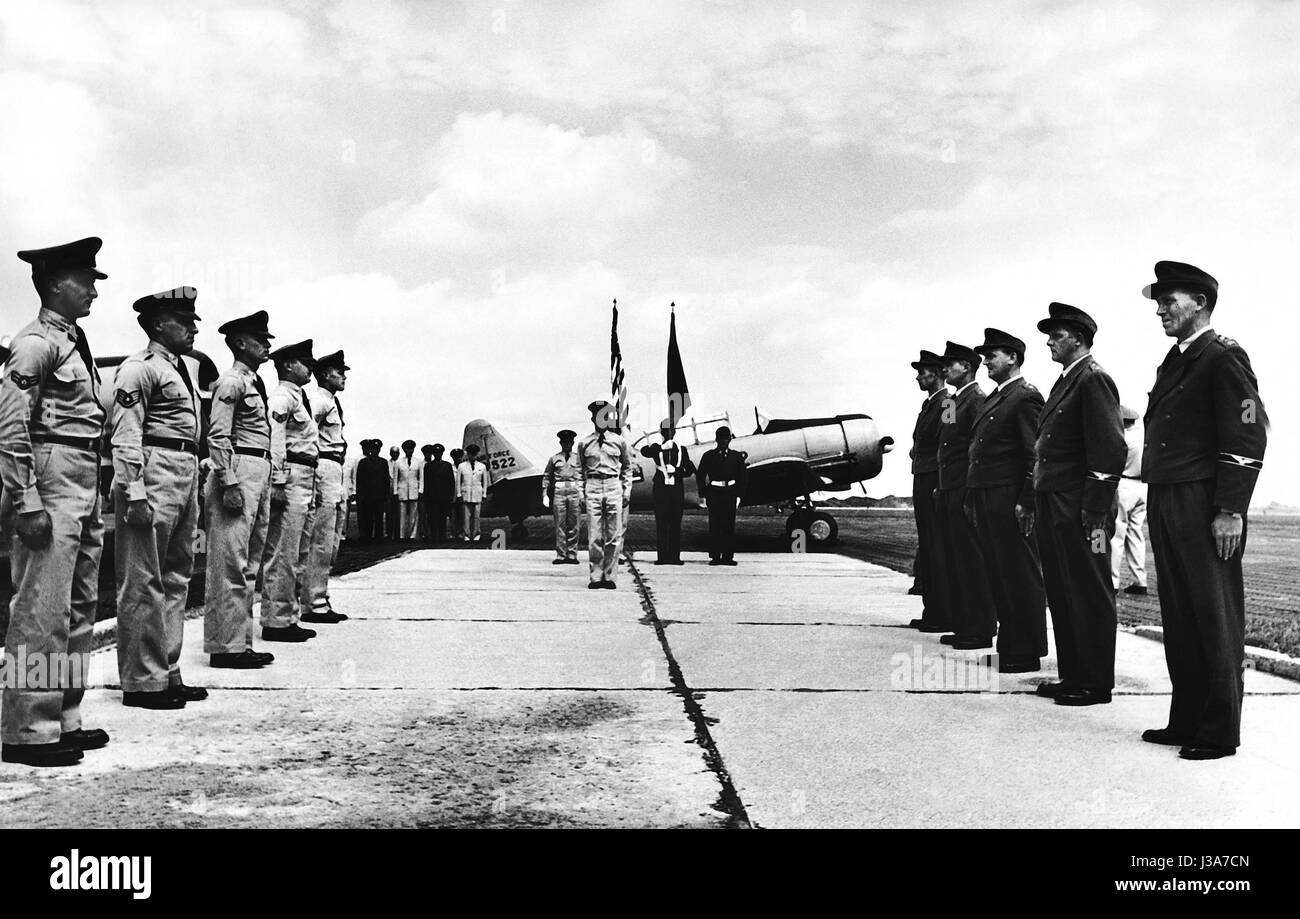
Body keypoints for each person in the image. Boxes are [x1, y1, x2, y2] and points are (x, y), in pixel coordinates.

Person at [1139, 261, 1267, 760]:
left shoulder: (1224, 357)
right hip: (1168, 494)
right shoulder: (1175, 360)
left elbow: (1248, 429)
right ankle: (1187, 718)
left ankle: (1218, 730)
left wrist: (1230, 507)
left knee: (1213, 615)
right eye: (1159, 303)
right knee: (1181, 613)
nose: (1161, 310)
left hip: (1203, 500)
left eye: (1169, 301)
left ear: (1201, 303)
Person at [0, 238, 110, 766]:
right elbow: (11, 426)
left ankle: (63, 716)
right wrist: (25, 500)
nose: (93, 289)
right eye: (85, 280)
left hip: (83, 474)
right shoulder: (35, 343)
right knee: (40, 610)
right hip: (51, 473)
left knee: (78, 607)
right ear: (54, 285)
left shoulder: (74, 340)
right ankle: (26, 729)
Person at [111, 287, 206, 710]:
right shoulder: (139, 368)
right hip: (154, 467)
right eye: (183, 320)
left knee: (176, 575)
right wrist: (133, 491)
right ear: (156, 324)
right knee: (142, 578)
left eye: (192, 319)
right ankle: (141, 681)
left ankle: (167, 670)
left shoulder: (182, 368)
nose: (193, 327)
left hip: (183, 470)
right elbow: (126, 432)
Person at [1032, 303, 1126, 707]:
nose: (1050, 341)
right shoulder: (1065, 381)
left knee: (1089, 589)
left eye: (1057, 334)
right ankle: (1073, 674)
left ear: (1078, 338)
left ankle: (1095, 682)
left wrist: (1094, 513)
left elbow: (1109, 448)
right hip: (1056, 502)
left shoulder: (1093, 379)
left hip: (1084, 509)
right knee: (1064, 589)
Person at [968, 329, 1047, 673]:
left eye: (992, 354)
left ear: (1013, 357)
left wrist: (1027, 500)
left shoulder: (1025, 397)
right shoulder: (996, 397)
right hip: (986, 493)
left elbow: (1034, 454)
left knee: (1019, 573)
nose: (986, 360)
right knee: (999, 572)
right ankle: (1010, 646)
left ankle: (1026, 651)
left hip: (1009, 495)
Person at [202, 310, 277, 669]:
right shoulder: (231, 382)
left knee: (249, 561)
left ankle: (239, 642)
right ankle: (224, 646)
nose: (266, 346)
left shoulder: (253, 383)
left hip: (258, 467)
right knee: (229, 560)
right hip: (239, 468)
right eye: (259, 340)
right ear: (240, 343)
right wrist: (228, 481)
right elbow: (217, 435)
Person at [934, 341, 996, 649]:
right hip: (948, 487)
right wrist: (940, 483)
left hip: (964, 487)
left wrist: (968, 488)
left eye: (951, 364)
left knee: (972, 558)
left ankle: (980, 627)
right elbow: (945, 442)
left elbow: (977, 447)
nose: (945, 369)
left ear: (967, 368)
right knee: (956, 557)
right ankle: (964, 623)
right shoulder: (952, 401)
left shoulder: (977, 400)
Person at [259, 339, 319, 643]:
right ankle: (276, 620)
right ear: (287, 365)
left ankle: (289, 616)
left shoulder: (299, 398)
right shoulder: (282, 398)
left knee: (299, 550)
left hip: (306, 474)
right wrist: (279, 481)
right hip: (291, 474)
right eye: (304, 363)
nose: (310, 368)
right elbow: (276, 440)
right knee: (283, 550)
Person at [301, 349, 350, 624]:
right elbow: (307, 431)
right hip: (323, 465)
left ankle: (319, 598)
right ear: (324, 374)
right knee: (320, 538)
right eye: (339, 372)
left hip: (334, 467)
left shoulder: (331, 401)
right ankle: (314, 603)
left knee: (330, 538)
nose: (343, 376)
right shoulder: (318, 400)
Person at [907, 349, 949, 632]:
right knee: (929, 548)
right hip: (923, 477)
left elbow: (949, 442)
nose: (918, 377)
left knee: (938, 548)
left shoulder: (947, 403)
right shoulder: (929, 405)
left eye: (922, 372)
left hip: (935, 479)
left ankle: (941, 613)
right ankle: (932, 610)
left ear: (937, 373)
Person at [577, 400, 632, 587]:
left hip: (613, 485)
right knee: (594, 536)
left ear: (608, 418)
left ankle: (609, 577)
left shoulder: (619, 441)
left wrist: (626, 491)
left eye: (604, 416)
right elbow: (578, 471)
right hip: (592, 485)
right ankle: (595, 577)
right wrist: (581, 494)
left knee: (613, 536)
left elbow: (627, 468)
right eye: (597, 416)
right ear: (592, 418)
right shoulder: (584, 443)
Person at [641, 419, 695, 565]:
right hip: (661, 490)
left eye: (670, 431)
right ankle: (663, 557)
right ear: (661, 432)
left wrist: (677, 470)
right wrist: (660, 448)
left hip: (676, 490)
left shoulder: (681, 449)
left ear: (675, 432)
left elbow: (690, 468)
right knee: (662, 523)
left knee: (675, 523)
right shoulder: (656, 448)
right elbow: (644, 451)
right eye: (665, 431)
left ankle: (675, 557)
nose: (668, 433)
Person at [696, 425, 748, 566]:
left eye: (726, 438)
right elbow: (700, 475)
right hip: (714, 493)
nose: (724, 441)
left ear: (730, 440)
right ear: (716, 439)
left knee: (729, 525)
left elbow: (742, 477)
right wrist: (704, 494)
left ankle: (728, 556)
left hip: (730, 493)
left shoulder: (736, 457)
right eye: (721, 438)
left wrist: (739, 496)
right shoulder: (708, 456)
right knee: (715, 525)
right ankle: (715, 556)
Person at [1111, 405, 1148, 595]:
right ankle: (1140, 580)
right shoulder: (1144, 437)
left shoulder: (1123, 438)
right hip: (1142, 486)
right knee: (1136, 535)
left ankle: (1112, 581)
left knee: (1116, 535)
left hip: (1124, 485)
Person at [544, 429, 584, 564]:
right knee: (559, 524)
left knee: (574, 524)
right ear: (560, 442)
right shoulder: (554, 459)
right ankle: (561, 555)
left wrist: (582, 493)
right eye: (564, 442)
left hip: (574, 491)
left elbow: (583, 476)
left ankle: (572, 554)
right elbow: (546, 476)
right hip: (559, 492)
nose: (566, 444)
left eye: (569, 442)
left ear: (572, 443)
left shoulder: (578, 458)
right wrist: (544, 494)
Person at [354, 439, 390, 542]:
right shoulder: (363, 462)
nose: (375, 451)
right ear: (370, 449)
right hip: (367, 495)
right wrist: (360, 494)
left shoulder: (383, 462)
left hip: (379, 495)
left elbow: (386, 480)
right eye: (373, 448)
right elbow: (359, 480)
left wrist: (386, 494)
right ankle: (367, 537)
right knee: (368, 517)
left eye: (377, 449)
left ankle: (378, 537)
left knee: (379, 518)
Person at [455, 443, 489, 541]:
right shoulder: (461, 466)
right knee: (466, 516)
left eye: (474, 454)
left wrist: (484, 493)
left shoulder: (482, 466)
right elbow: (458, 482)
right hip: (466, 493)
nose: (472, 456)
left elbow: (485, 481)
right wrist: (458, 494)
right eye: (470, 454)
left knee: (476, 516)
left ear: (477, 454)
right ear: (467, 454)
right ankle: (466, 535)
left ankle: (476, 534)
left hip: (477, 493)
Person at [422, 443, 455, 544]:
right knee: (432, 517)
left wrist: (450, 496)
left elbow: (451, 482)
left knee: (442, 518)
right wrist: (426, 497)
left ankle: (442, 537)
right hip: (432, 497)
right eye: (435, 452)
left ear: (442, 453)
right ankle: (433, 537)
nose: (437, 454)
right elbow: (426, 483)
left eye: (439, 452)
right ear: (433, 453)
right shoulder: (428, 466)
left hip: (444, 497)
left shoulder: (447, 465)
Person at [394, 439, 421, 540]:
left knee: (414, 514)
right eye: (407, 449)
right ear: (404, 450)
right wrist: (395, 492)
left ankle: (413, 535)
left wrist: (420, 490)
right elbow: (396, 478)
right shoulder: (399, 462)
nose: (409, 451)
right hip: (402, 490)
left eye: (411, 449)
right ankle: (402, 535)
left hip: (414, 490)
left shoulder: (418, 462)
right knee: (402, 515)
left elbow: (420, 477)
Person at [417, 444, 435, 540]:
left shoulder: (434, 464)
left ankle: (431, 533)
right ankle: (423, 533)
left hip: (433, 492)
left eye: (430, 453)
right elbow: (420, 478)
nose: (428, 455)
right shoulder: (420, 464)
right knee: (422, 514)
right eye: (426, 453)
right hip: (423, 491)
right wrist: (421, 491)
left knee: (432, 514)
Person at [448, 447, 466, 540]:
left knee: (462, 515)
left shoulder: (465, 467)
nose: (457, 458)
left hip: (463, 494)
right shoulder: (450, 468)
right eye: (455, 457)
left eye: (459, 456)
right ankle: (453, 533)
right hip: (453, 494)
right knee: (453, 515)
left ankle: (461, 532)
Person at [386, 444, 400, 541]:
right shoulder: (386, 463)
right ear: (390, 453)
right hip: (388, 492)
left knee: (398, 514)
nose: (395, 455)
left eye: (396, 453)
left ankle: (397, 534)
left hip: (399, 492)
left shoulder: (401, 463)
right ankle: (389, 533)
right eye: (393, 453)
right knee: (389, 514)